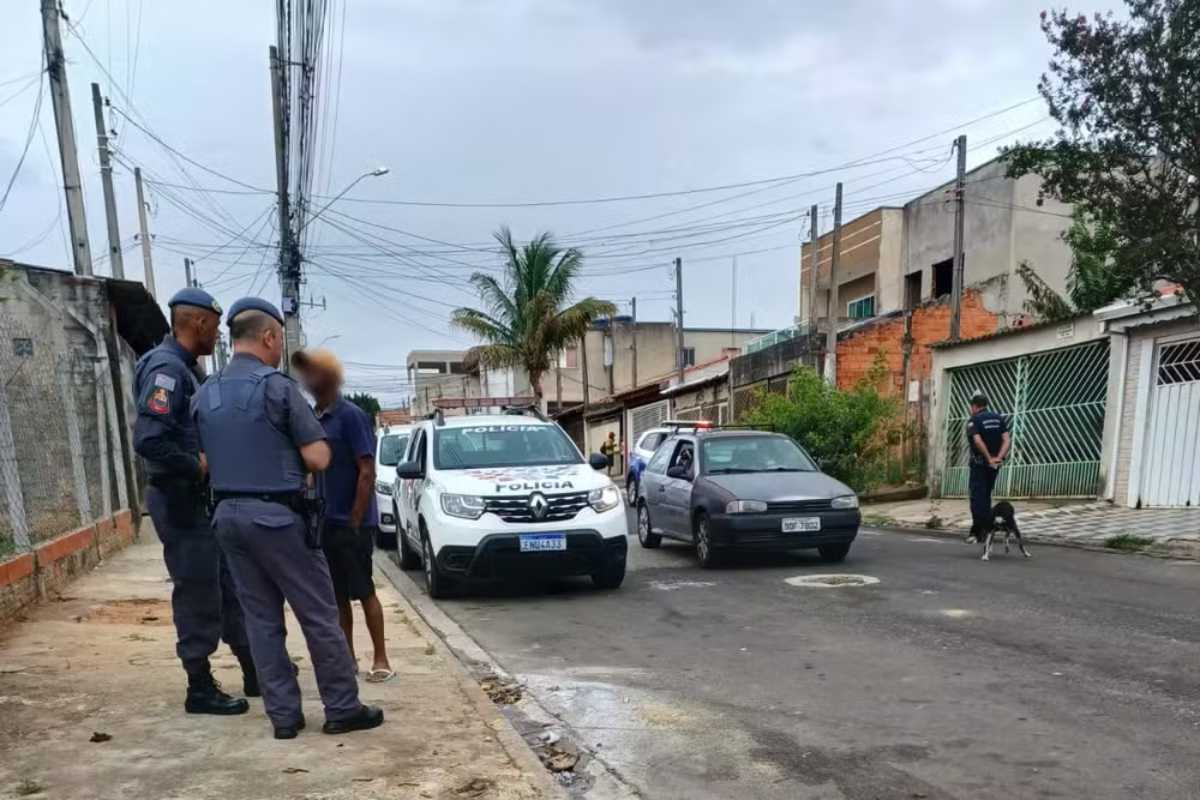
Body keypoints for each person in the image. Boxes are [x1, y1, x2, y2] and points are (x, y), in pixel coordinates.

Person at [193, 297, 383, 740]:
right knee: (318, 613)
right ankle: (341, 707)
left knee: (260, 620)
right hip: (279, 519)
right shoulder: (277, 389)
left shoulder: (207, 392)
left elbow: (202, 459)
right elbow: (317, 457)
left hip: (227, 517)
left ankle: (284, 718)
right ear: (268, 337)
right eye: (278, 340)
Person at [133, 287, 255, 716]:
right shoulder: (166, 370)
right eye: (215, 326)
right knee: (198, 589)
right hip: (180, 497)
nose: (217, 335)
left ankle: (252, 666)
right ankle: (199, 685)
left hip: (199, 501)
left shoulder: (186, 370)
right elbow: (148, 440)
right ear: (199, 322)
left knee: (228, 585)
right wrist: (196, 465)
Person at [292, 348, 395, 684]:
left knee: (364, 591)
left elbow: (367, 471)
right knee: (335, 596)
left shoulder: (351, 416)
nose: (310, 381)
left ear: (332, 377)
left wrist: (355, 517)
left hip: (353, 522)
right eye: (307, 376)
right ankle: (346, 659)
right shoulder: (314, 418)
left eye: (316, 374)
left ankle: (381, 659)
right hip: (325, 521)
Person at [965, 391, 1011, 543]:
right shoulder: (999, 418)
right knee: (986, 496)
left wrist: (988, 458)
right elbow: (1006, 440)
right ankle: (983, 529)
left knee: (977, 498)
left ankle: (980, 531)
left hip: (980, 464)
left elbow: (977, 441)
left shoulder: (974, 420)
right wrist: (999, 457)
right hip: (994, 466)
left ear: (974, 406)